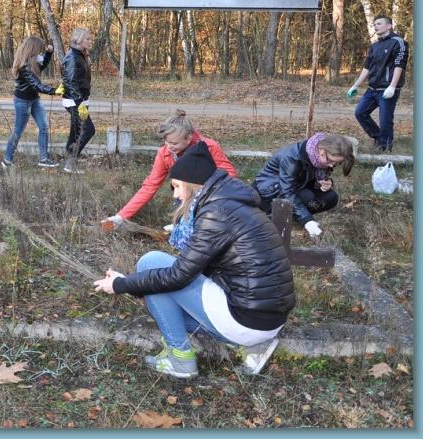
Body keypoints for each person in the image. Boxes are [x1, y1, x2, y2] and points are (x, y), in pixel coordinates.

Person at [93, 141, 295, 378]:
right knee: (157, 289)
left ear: (193, 184)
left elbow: (178, 276)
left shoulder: (216, 214)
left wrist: (120, 284)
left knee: (151, 263)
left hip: (246, 319)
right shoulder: (233, 204)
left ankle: (181, 360)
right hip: (268, 320)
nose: (176, 195)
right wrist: (135, 283)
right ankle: (253, 345)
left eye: (177, 187)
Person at [101, 109, 237, 231]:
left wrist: (209, 190)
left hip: (214, 196)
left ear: (189, 138)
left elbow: (230, 176)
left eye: (174, 143)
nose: (169, 147)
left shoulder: (210, 147)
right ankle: (184, 223)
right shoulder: (164, 153)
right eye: (166, 142)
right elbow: (149, 186)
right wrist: (121, 216)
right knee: (180, 189)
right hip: (184, 196)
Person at [252, 133, 355, 238]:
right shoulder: (292, 158)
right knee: (307, 196)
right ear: (322, 151)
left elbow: (306, 177)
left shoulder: (318, 157)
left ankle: (294, 216)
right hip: (268, 191)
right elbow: (287, 191)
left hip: (296, 185)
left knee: (331, 197)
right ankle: (276, 214)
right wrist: (307, 220)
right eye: (331, 161)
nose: (332, 165)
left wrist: (324, 184)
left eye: (336, 163)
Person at [347, 16, 409, 152]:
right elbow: (367, 68)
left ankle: (385, 147)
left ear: (389, 26)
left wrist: (392, 86)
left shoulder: (398, 42)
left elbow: (400, 66)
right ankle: (378, 137)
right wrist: (355, 85)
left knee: (385, 119)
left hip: (387, 89)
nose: (376, 26)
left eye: (379, 24)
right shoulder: (375, 45)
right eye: (374, 24)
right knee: (360, 112)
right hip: (372, 89)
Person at [1, 36, 63, 169]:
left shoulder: (34, 61)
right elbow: (36, 85)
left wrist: (48, 53)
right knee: (18, 131)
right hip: (22, 101)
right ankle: (7, 160)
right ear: (33, 48)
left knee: (44, 127)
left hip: (34, 99)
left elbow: (43, 65)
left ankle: (43, 158)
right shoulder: (24, 65)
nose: (41, 51)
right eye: (40, 49)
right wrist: (54, 91)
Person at [60, 28, 95, 174]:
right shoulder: (73, 57)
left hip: (79, 100)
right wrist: (80, 103)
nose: (90, 41)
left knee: (75, 132)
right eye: (87, 38)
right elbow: (72, 83)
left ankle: (69, 162)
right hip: (75, 101)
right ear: (79, 40)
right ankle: (70, 162)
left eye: (89, 38)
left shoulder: (81, 55)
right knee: (88, 130)